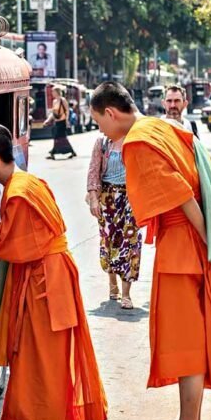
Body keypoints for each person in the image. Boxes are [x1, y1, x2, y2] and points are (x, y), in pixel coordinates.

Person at [90, 82, 211, 420]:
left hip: (182, 249)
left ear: (110, 113)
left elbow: (182, 196)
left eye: (98, 123)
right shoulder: (164, 126)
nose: (101, 133)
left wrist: (209, 242)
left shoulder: (138, 141)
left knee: (185, 341)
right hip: (191, 244)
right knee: (190, 336)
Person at [0, 123, 107, 420]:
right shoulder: (25, 183)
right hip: (45, 281)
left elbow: (9, 245)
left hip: (45, 288)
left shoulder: (19, 193)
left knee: (42, 367)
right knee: (36, 365)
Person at [86, 132, 142, 309]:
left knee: (130, 243)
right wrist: (94, 198)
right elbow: (93, 172)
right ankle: (113, 286)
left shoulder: (136, 139)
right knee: (108, 241)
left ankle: (126, 294)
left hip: (132, 198)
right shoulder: (102, 142)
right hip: (108, 198)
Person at [44, 85, 77, 160]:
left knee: (59, 137)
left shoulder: (63, 100)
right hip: (57, 122)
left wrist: (67, 121)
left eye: (53, 91)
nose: (52, 93)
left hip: (62, 122)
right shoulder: (54, 101)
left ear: (57, 92)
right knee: (59, 137)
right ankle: (70, 151)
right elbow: (53, 113)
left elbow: (67, 111)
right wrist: (48, 120)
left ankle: (53, 153)